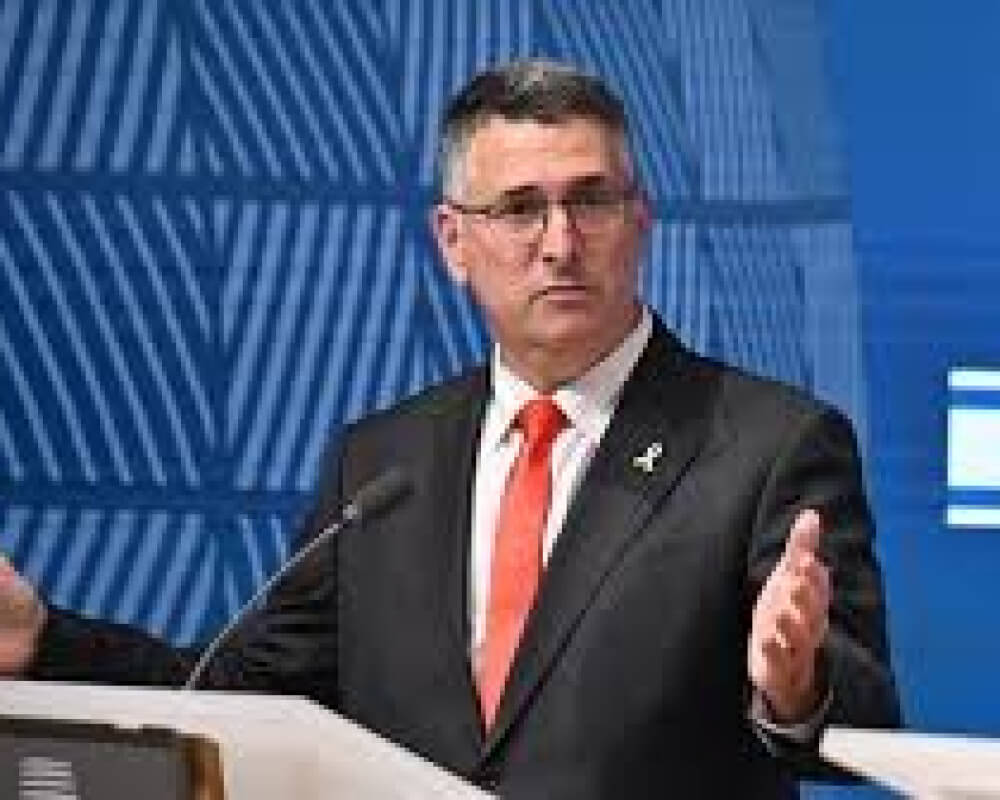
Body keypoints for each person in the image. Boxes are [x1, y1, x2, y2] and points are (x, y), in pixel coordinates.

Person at [0, 60, 899, 797]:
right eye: (519, 208)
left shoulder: (769, 445)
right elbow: (240, 699)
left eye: (591, 200)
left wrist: (797, 685)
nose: (560, 242)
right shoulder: (381, 464)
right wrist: (45, 641)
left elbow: (862, 724)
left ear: (641, 219)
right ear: (452, 242)